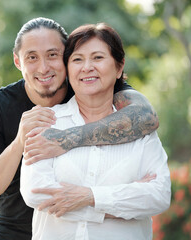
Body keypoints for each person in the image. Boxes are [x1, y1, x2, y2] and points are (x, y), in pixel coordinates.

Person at [0, 17, 159, 240]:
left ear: (66, 57)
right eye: (32, 57)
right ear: (18, 62)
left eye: (52, 55)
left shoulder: (94, 87)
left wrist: (66, 139)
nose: (43, 67)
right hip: (11, 234)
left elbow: (147, 117)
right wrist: (20, 141)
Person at [20, 22, 171, 240]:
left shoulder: (140, 129)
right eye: (77, 59)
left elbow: (159, 195)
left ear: (119, 67)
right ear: (68, 69)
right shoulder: (47, 122)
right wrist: (124, 206)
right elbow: (36, 194)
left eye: (98, 58)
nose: (87, 67)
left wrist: (91, 197)